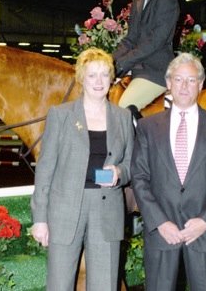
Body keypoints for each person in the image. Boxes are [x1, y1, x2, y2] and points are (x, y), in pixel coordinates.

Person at [131, 53, 206, 290]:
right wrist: (160, 222)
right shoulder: (147, 127)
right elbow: (139, 177)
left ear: (201, 85)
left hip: (205, 233)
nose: (184, 86)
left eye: (191, 80)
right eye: (178, 79)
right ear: (168, 83)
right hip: (162, 233)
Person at [31, 47, 134, 290]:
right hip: (65, 211)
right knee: (59, 284)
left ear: (111, 79)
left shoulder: (122, 117)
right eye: (92, 75)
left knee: (105, 285)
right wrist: (40, 219)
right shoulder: (61, 115)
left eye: (104, 74)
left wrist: (120, 173)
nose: (98, 81)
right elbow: (45, 168)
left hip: (106, 210)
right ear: (81, 79)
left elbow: (132, 164)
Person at [113, 0, 180, 119]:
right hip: (138, 70)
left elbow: (156, 41)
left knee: (122, 109)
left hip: (156, 71)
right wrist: (108, 62)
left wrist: (123, 63)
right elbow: (131, 39)